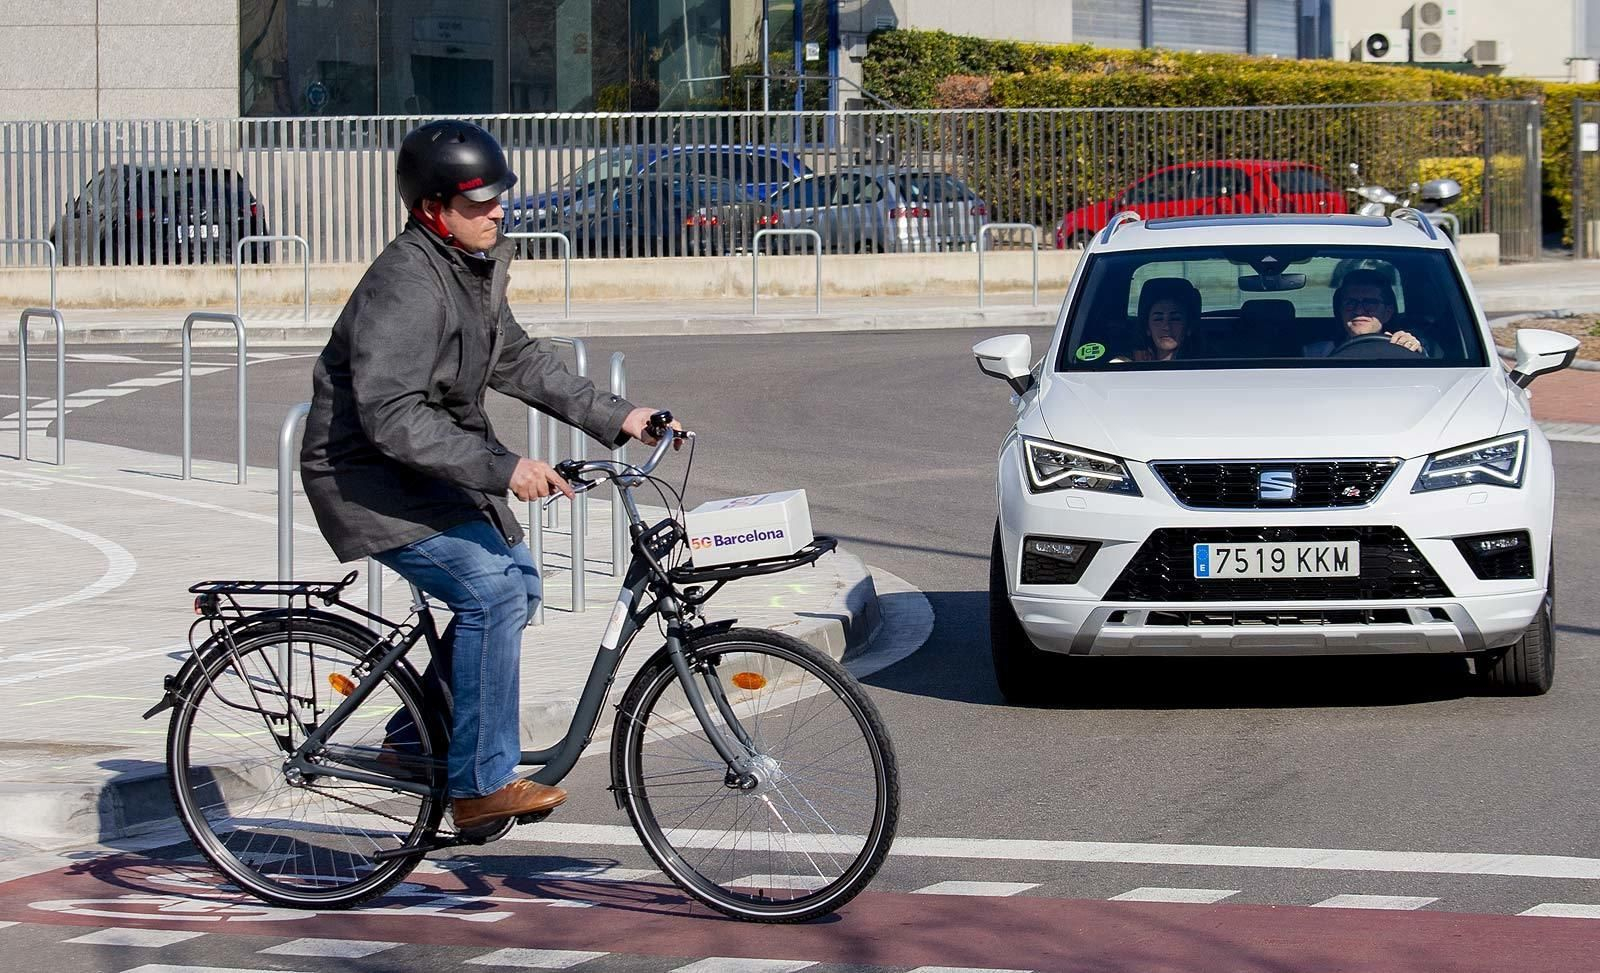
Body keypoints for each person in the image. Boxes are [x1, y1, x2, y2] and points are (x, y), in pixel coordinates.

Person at [300, 120, 676, 832]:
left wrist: (625, 417)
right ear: (432, 209)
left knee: (521, 582)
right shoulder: (407, 284)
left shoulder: (469, 269)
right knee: (492, 592)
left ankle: (416, 739)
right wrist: (506, 469)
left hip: (422, 464)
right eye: (478, 202)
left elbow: (521, 361)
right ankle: (477, 786)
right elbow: (390, 415)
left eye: (500, 197)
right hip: (365, 475)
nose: (497, 211)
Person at [1306, 270, 1424, 356]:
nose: (1359, 310)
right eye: (1350, 303)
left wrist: (1414, 348)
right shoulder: (1316, 353)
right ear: (1340, 310)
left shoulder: (1404, 345)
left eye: (1370, 303)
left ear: (1388, 312)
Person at [1112, 277, 1199, 362]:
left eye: (1175, 319)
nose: (1166, 327)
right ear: (1147, 329)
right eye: (1158, 319)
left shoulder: (1205, 365)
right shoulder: (1123, 365)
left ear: (1188, 328)